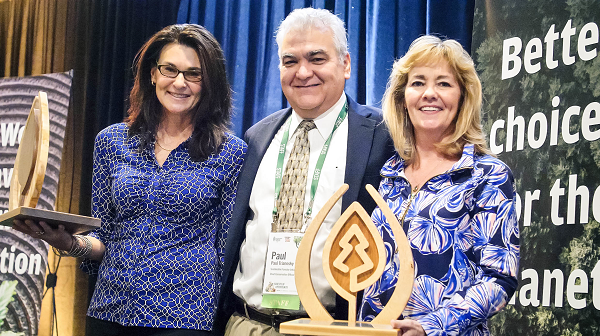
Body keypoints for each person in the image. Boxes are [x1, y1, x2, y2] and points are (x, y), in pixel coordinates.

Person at [12, 24, 247, 336]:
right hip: (109, 310)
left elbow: (226, 253)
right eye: (170, 69)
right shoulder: (111, 142)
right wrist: (68, 242)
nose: (180, 82)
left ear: (208, 82)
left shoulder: (231, 152)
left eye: (194, 73)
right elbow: (104, 238)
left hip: (185, 318)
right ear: (152, 74)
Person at [213, 7, 395, 336]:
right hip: (244, 324)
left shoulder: (383, 136)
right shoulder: (257, 137)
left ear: (346, 64)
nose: (303, 72)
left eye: (317, 58)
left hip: (328, 327)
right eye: (290, 61)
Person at [358, 35, 520, 335]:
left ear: (462, 97)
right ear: (402, 98)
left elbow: (499, 278)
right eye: (418, 83)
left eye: (443, 84)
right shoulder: (388, 174)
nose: (429, 93)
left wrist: (430, 327)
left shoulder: (487, 175)